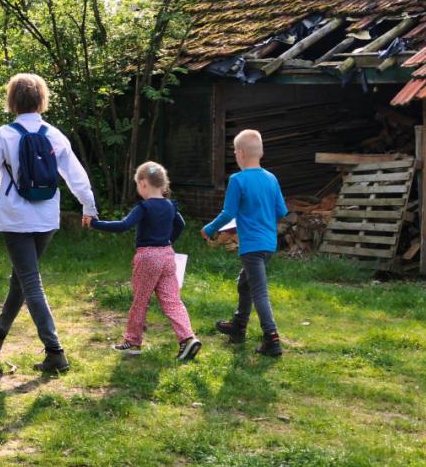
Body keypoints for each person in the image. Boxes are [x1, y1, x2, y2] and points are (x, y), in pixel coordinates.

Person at [0, 73, 98, 374]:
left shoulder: (5, 134)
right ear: (42, 100)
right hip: (46, 218)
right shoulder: (55, 135)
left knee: (30, 280)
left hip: (14, 219)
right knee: (22, 277)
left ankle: (55, 351)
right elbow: (76, 176)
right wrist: (88, 206)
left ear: (12, 101)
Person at [91, 162, 201, 361]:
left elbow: (123, 225)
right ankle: (188, 338)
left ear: (143, 184)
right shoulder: (169, 205)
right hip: (167, 255)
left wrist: (94, 223)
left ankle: (133, 342)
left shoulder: (144, 207)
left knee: (140, 301)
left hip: (148, 257)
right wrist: (167, 242)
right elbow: (181, 224)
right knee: (172, 301)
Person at [203, 129, 288, 357]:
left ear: (240, 153)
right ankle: (238, 325)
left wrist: (209, 228)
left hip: (251, 245)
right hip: (269, 244)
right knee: (245, 283)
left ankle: (272, 339)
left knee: (259, 292)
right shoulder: (271, 179)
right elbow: (281, 210)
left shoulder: (237, 180)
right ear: (260, 152)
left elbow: (228, 211)